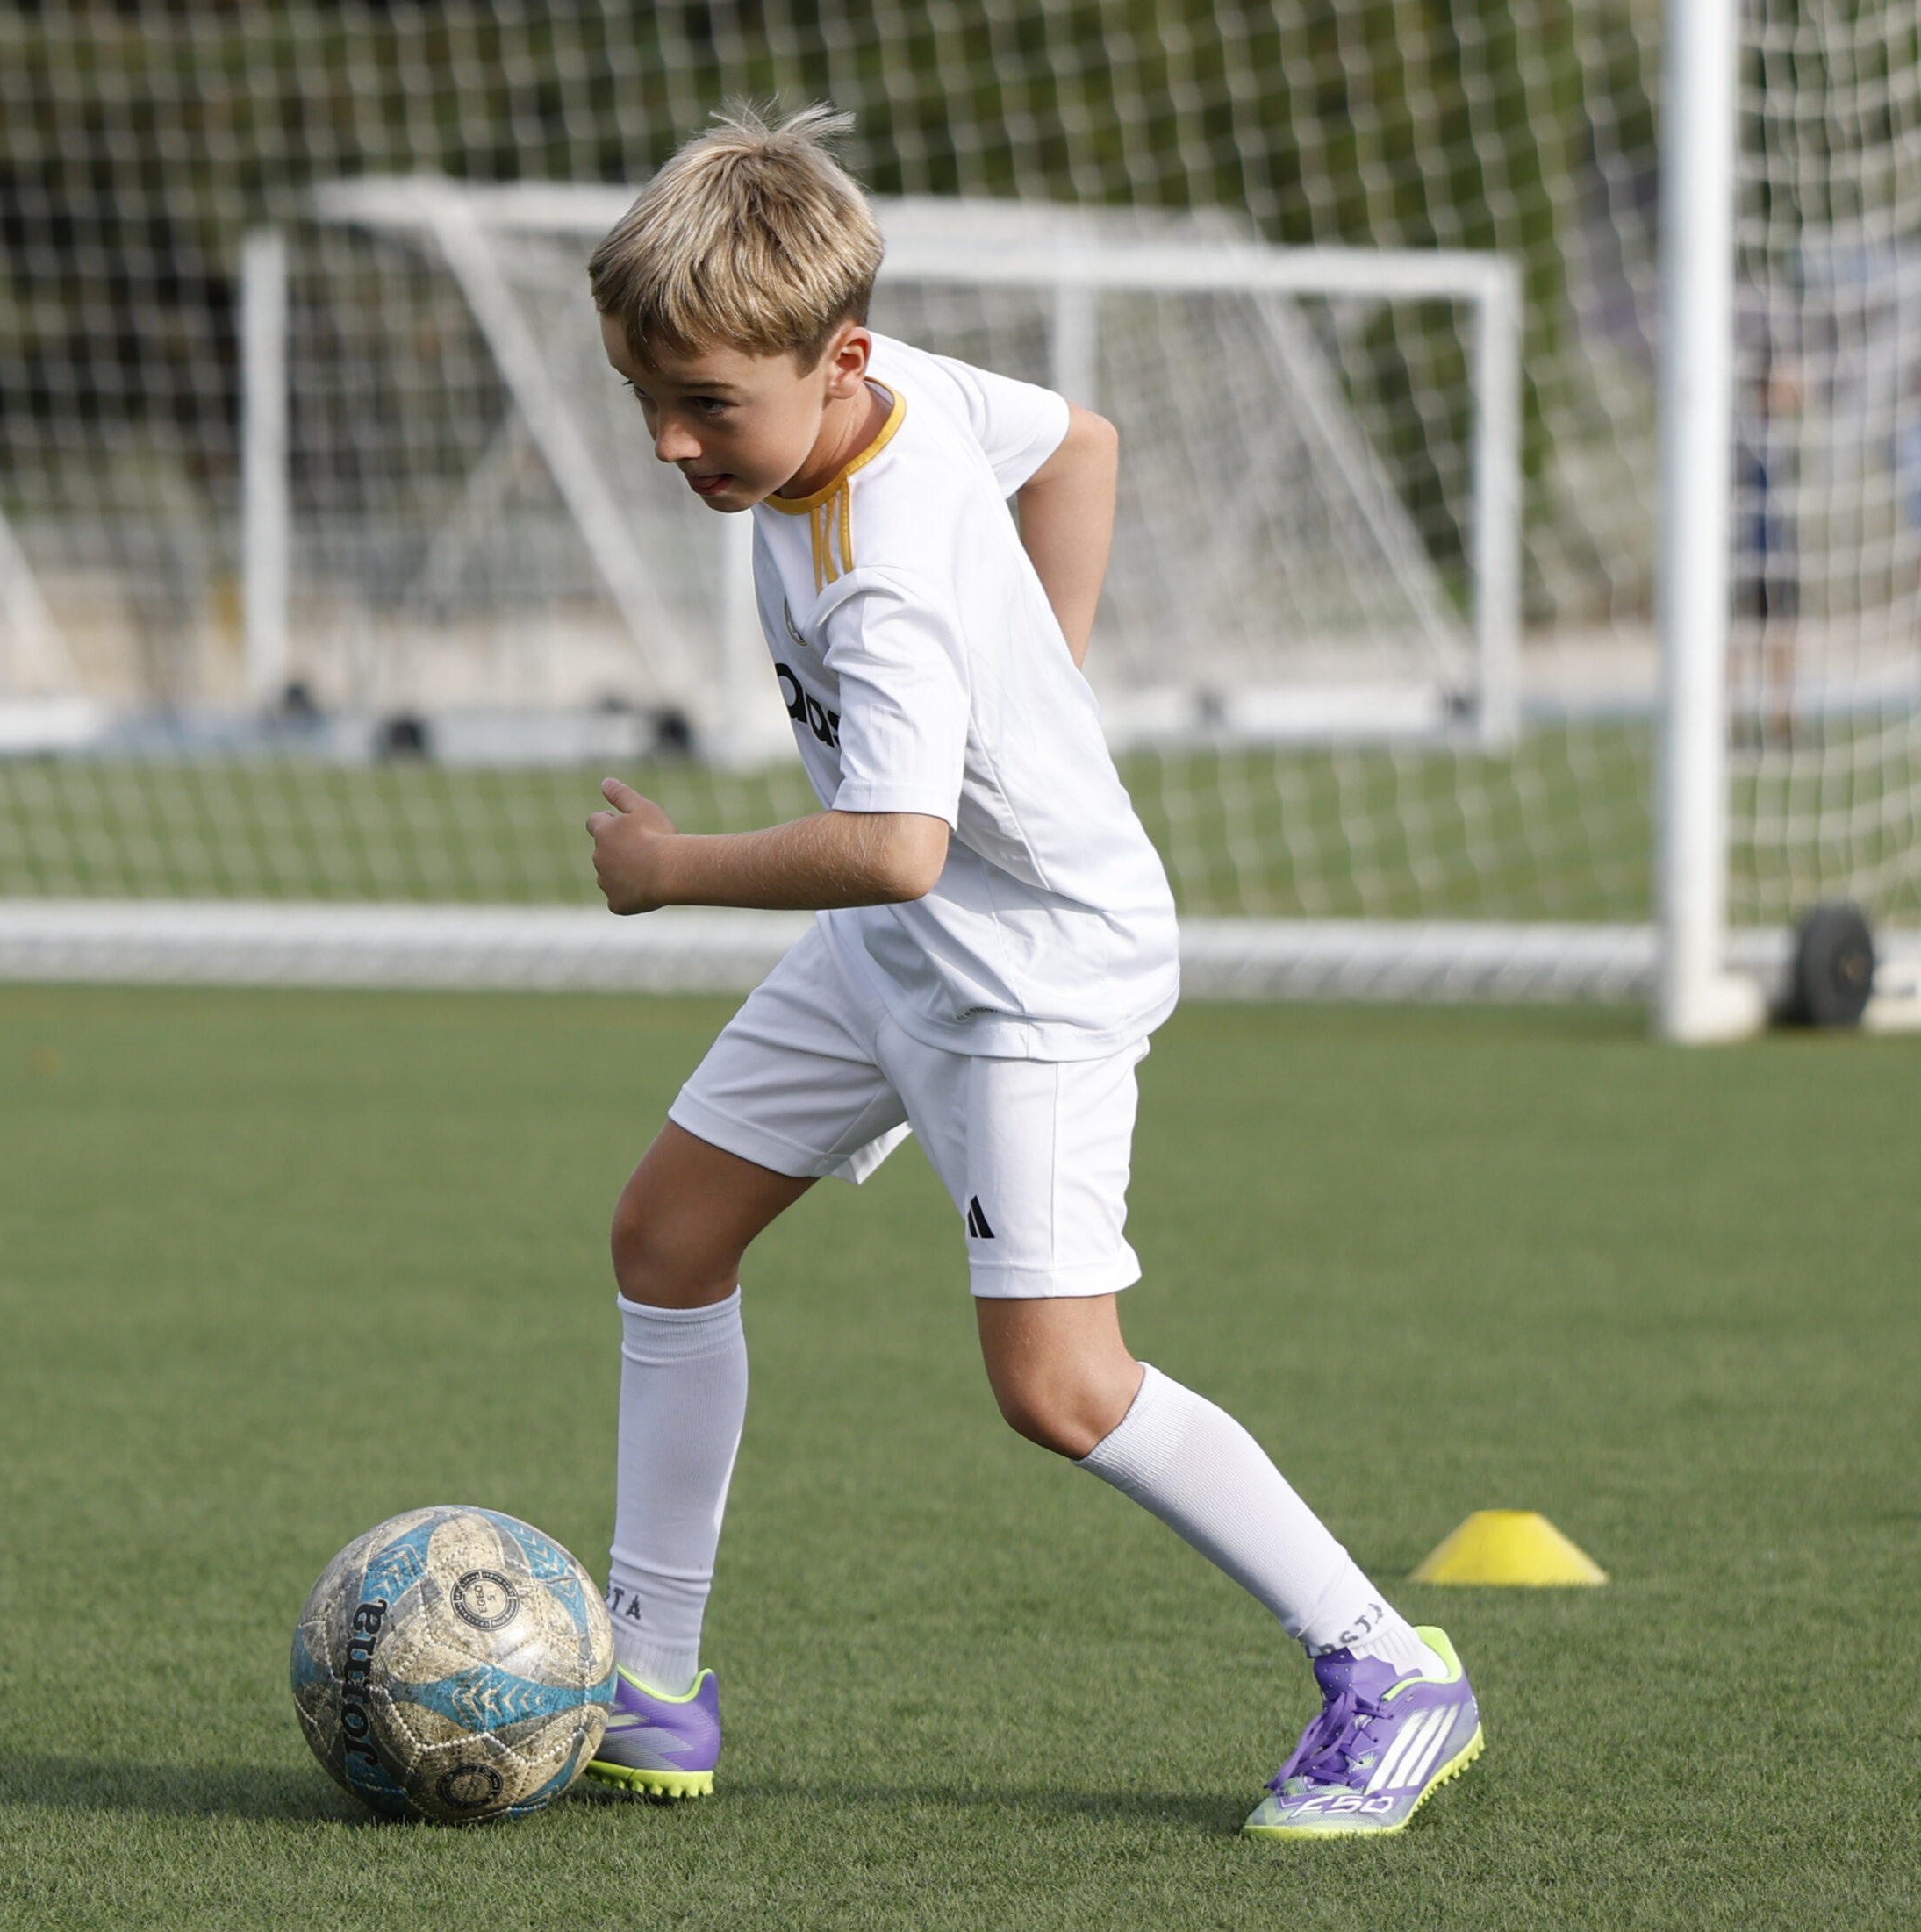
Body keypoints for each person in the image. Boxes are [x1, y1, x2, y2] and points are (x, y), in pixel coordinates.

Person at [575, 104, 1481, 1839]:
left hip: (1023, 981)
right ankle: (655, 1680)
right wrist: (1043, 675)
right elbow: (1081, 443)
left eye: (707, 406)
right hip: (895, 950)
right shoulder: (887, 387)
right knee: (666, 1235)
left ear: (828, 359)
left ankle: (1389, 1668)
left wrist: (671, 871)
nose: (674, 445)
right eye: (649, 400)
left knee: (1057, 1387)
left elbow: (896, 841)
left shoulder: (882, 584)